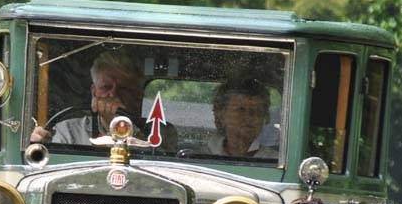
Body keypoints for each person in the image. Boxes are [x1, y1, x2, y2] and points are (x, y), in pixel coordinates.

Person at [30, 50, 175, 149]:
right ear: (94, 92)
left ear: (138, 94)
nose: (113, 94)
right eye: (106, 87)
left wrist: (125, 126)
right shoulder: (67, 131)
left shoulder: (160, 132)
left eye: (124, 88)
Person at [207, 79, 278, 159]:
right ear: (221, 115)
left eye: (256, 111)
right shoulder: (201, 155)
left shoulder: (276, 160)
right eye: (241, 109)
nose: (249, 117)